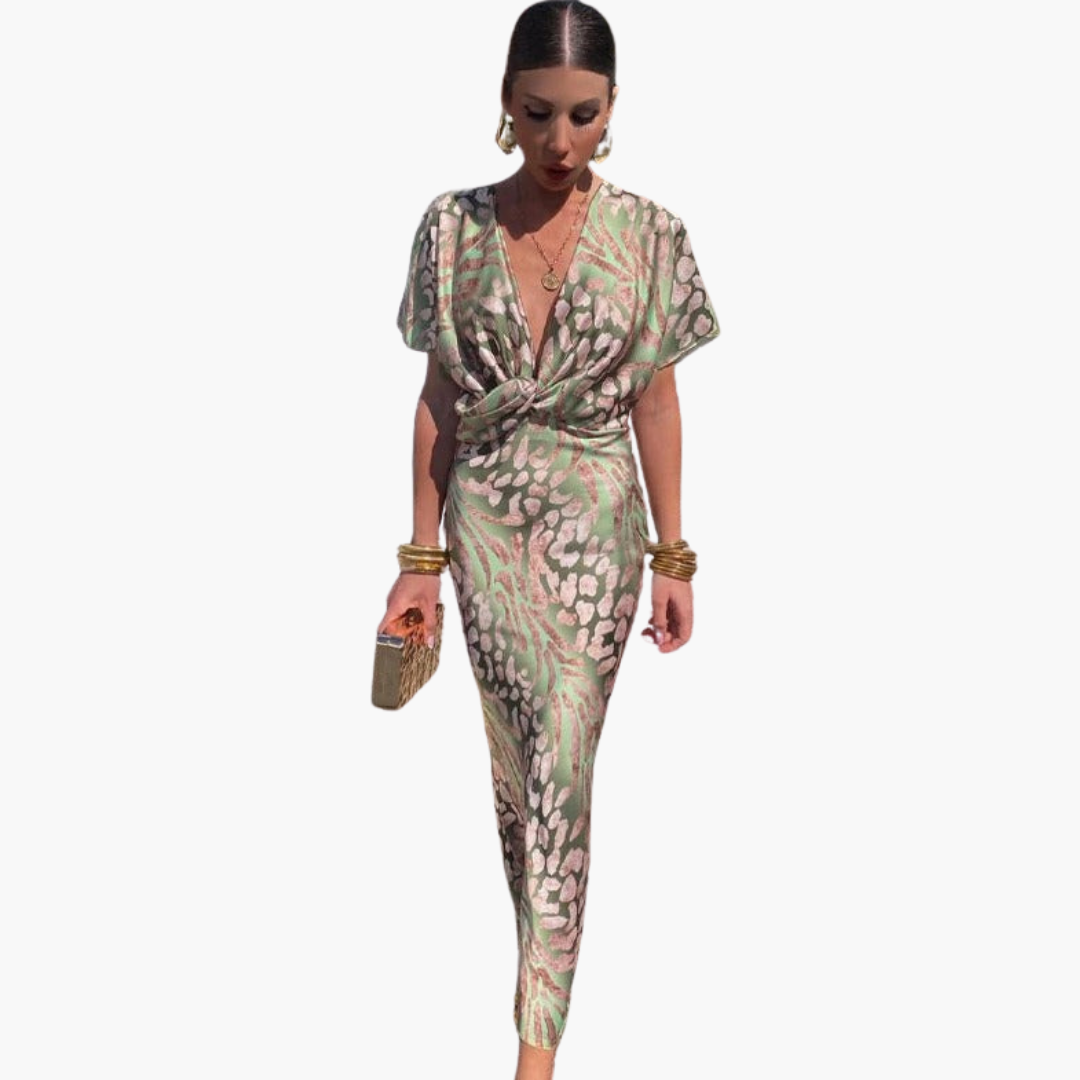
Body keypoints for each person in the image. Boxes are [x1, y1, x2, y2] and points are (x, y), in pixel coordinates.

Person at [378, 2, 720, 1075]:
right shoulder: (450, 228)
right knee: (519, 774)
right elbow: (439, 397)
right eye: (537, 114)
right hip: (486, 525)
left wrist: (673, 557)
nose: (560, 140)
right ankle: (541, 985)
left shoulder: (652, 235)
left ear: (613, 108)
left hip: (595, 532)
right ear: (504, 103)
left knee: (562, 758)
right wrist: (419, 564)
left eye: (583, 114)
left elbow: (655, 402)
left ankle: (535, 1051)